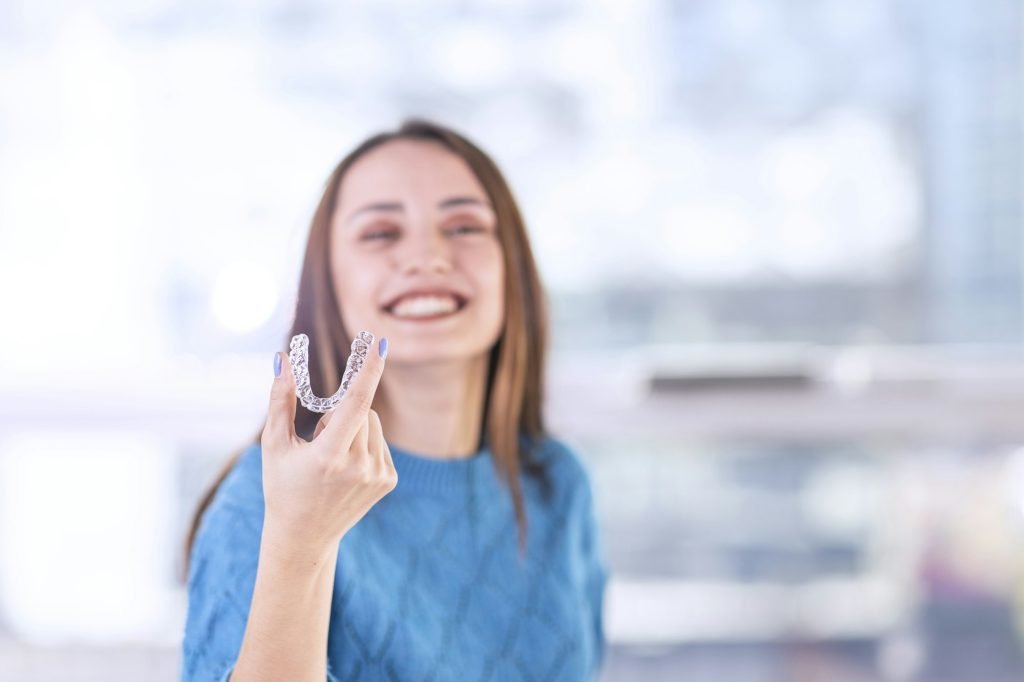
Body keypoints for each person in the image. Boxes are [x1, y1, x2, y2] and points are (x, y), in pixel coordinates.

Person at [180, 120, 609, 681]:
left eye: (464, 226)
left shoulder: (557, 484)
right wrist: (300, 540)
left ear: (514, 267)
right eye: (381, 233)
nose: (428, 256)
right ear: (327, 283)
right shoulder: (266, 502)